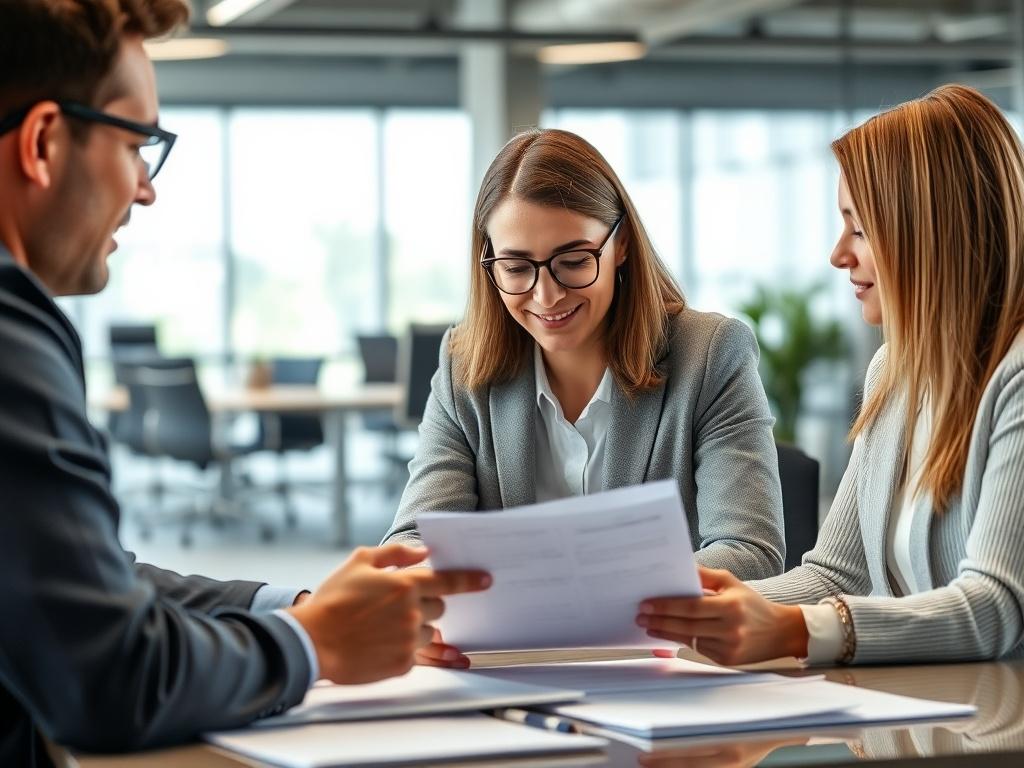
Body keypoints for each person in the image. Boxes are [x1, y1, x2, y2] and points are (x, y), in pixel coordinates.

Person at [0, 1, 489, 763]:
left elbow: (79, 589)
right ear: (42, 144)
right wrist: (311, 645)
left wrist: (295, 606)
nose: (146, 188)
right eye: (140, 144)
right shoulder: (9, 332)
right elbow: (110, 677)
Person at [635, 84, 1024, 667]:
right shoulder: (895, 370)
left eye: (859, 229)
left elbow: (995, 608)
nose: (837, 254)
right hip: (918, 729)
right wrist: (687, 608)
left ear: (931, 234)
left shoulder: (1014, 377)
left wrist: (798, 631)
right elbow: (836, 574)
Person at [382, 128, 786, 669]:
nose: (546, 296)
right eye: (517, 267)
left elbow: (750, 552)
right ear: (489, 262)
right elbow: (414, 541)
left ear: (619, 244)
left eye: (573, 260)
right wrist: (415, 592)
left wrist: (570, 596)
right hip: (507, 679)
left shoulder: (710, 353)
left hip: (667, 672)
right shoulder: (463, 366)